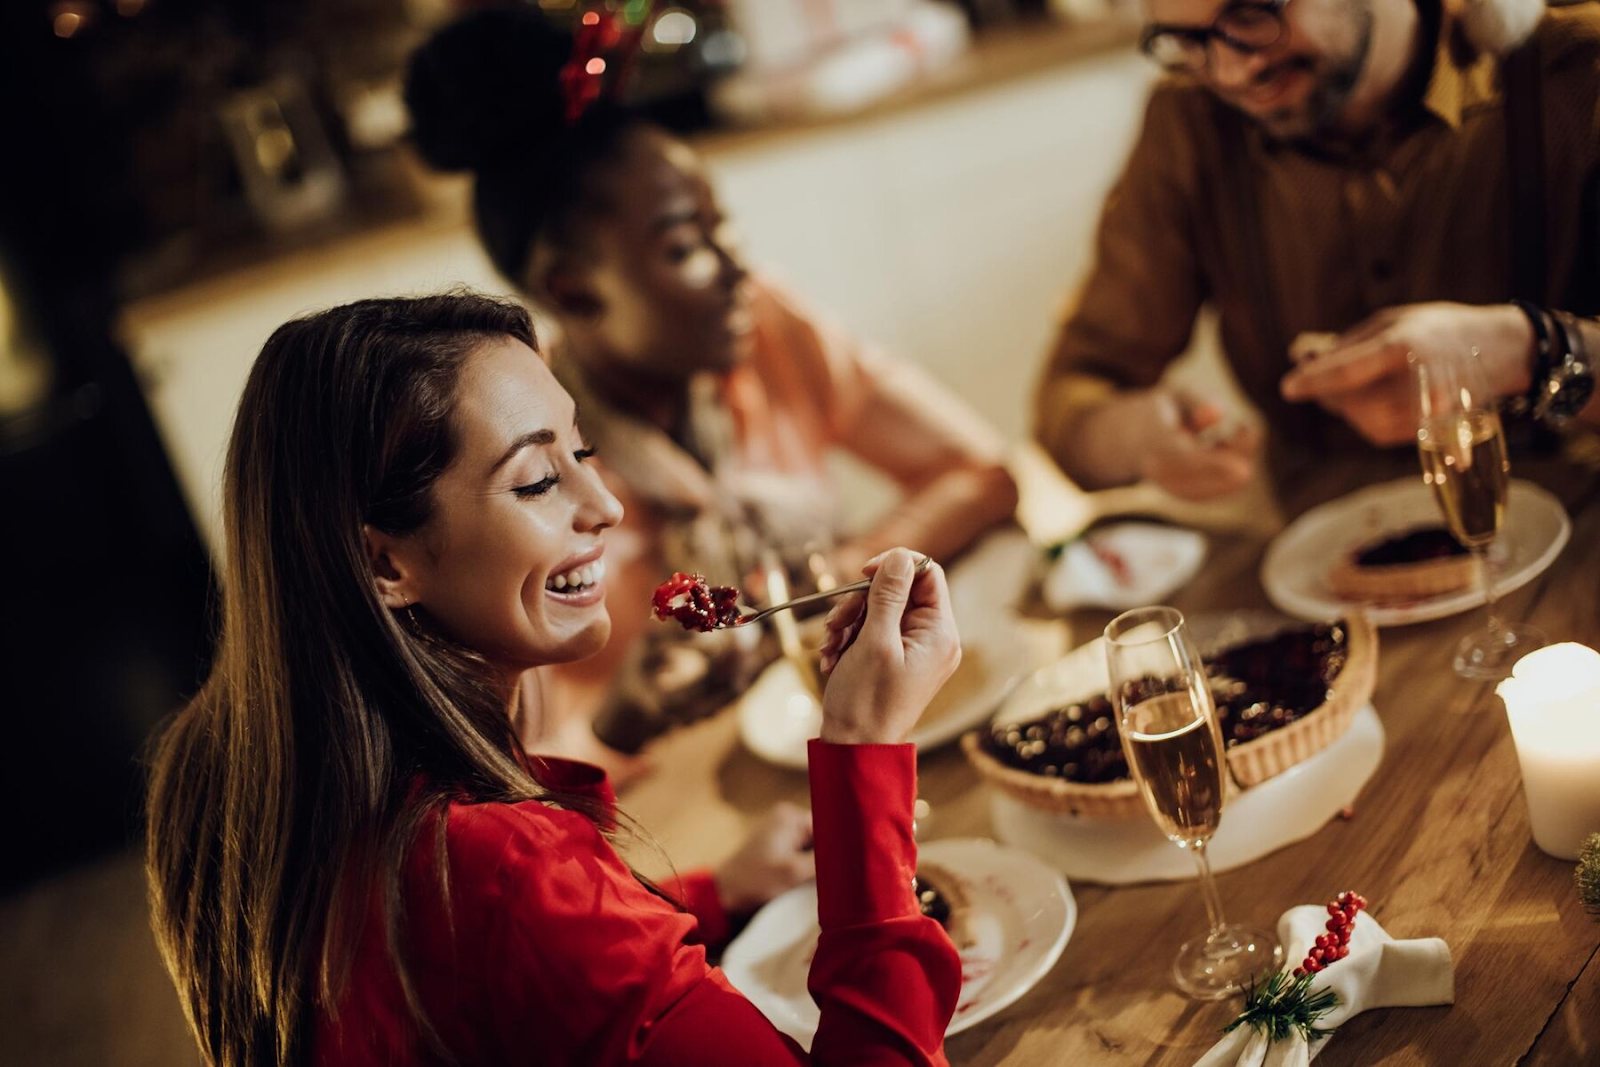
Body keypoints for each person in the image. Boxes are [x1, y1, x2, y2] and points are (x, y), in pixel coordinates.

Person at [144, 294, 964, 1066]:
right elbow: (520, 914)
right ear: (385, 564)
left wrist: (706, 896)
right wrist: (863, 746)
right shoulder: (507, 870)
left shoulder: (231, 770)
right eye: (538, 479)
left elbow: (484, 979)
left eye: (584, 452)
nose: (604, 505)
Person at [403, 6, 1017, 766]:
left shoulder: (765, 330)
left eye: (723, 227)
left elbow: (981, 472)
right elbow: (500, 782)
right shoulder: (516, 466)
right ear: (574, 289)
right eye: (686, 245)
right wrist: (617, 725)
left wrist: (841, 572)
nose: (735, 268)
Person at [1035, 0, 1600, 501]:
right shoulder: (1189, 124)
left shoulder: (1576, 76)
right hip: (1323, 549)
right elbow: (1073, 392)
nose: (1231, 71)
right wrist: (1136, 439)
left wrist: (1528, 353)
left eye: (1254, 12)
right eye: (1188, 39)